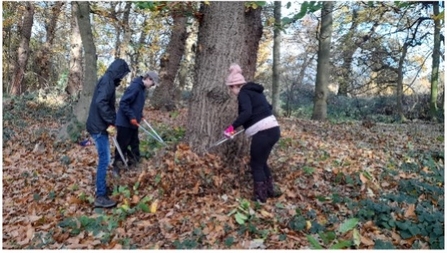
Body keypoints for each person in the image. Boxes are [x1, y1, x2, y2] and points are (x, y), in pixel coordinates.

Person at [224, 63, 281, 203]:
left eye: (231, 88)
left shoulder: (243, 93)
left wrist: (232, 128)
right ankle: (269, 190)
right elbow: (268, 107)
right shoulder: (256, 91)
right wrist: (253, 121)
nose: (231, 91)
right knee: (261, 162)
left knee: (255, 164)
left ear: (234, 85)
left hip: (263, 132)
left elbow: (247, 112)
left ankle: (260, 197)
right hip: (274, 129)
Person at [86, 58, 130, 208]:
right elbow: (101, 102)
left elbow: (104, 103)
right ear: (118, 72)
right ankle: (100, 195)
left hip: (99, 125)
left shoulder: (108, 80)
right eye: (122, 75)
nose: (122, 78)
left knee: (105, 158)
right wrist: (111, 120)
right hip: (98, 127)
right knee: (104, 159)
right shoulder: (107, 81)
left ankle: (102, 189)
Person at [112, 71, 159, 177]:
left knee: (134, 143)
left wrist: (139, 115)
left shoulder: (142, 89)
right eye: (153, 83)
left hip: (133, 122)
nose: (153, 86)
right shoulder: (135, 87)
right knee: (122, 145)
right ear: (148, 79)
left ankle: (134, 163)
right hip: (124, 122)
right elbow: (124, 103)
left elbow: (135, 105)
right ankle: (116, 168)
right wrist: (132, 116)